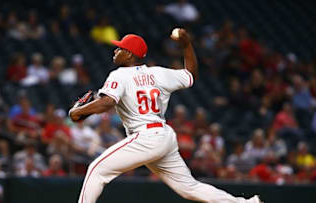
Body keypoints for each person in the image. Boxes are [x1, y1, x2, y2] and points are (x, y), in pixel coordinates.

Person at [69, 29, 262, 203]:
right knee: (189, 187)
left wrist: (77, 111)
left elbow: (107, 102)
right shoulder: (159, 73)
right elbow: (191, 75)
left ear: (129, 54)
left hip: (145, 137)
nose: (115, 51)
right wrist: (186, 44)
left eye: (119, 49)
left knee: (96, 170)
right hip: (163, 136)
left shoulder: (119, 75)